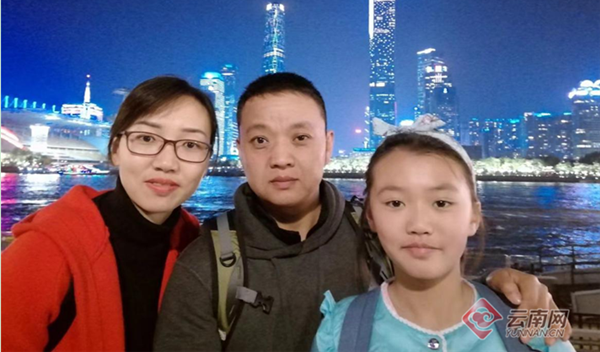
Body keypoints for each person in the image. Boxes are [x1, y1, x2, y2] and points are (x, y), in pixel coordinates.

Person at [154, 73, 569, 352]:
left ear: (328, 144)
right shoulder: (207, 267)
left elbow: (434, 277)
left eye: (300, 137)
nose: (280, 157)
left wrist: (500, 286)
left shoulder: (373, 232)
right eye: (260, 140)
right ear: (239, 150)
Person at [312, 116, 575, 352]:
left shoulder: (531, 321)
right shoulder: (340, 329)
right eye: (395, 203)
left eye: (441, 203)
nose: (419, 224)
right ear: (370, 216)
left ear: (474, 216)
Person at [2, 76, 217, 352]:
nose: (167, 163)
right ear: (115, 149)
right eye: (147, 138)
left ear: (207, 162)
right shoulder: (47, 249)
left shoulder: (197, 247)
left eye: (190, 145)